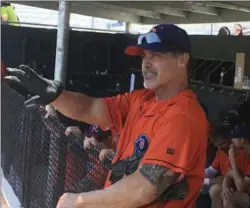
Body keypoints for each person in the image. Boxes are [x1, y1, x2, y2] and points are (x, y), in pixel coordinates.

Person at [5, 24, 209, 208]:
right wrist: (57, 96)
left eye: (155, 55)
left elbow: (146, 188)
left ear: (182, 60)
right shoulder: (142, 99)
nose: (145, 63)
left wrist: (81, 201)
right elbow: (91, 108)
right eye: (143, 56)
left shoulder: (183, 115)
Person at [207, 123, 250, 208]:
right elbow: (228, 175)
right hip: (248, 192)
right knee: (215, 190)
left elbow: (241, 188)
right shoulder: (240, 150)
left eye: (234, 138)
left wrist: (232, 160)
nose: (232, 140)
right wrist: (225, 188)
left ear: (242, 140)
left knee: (228, 197)